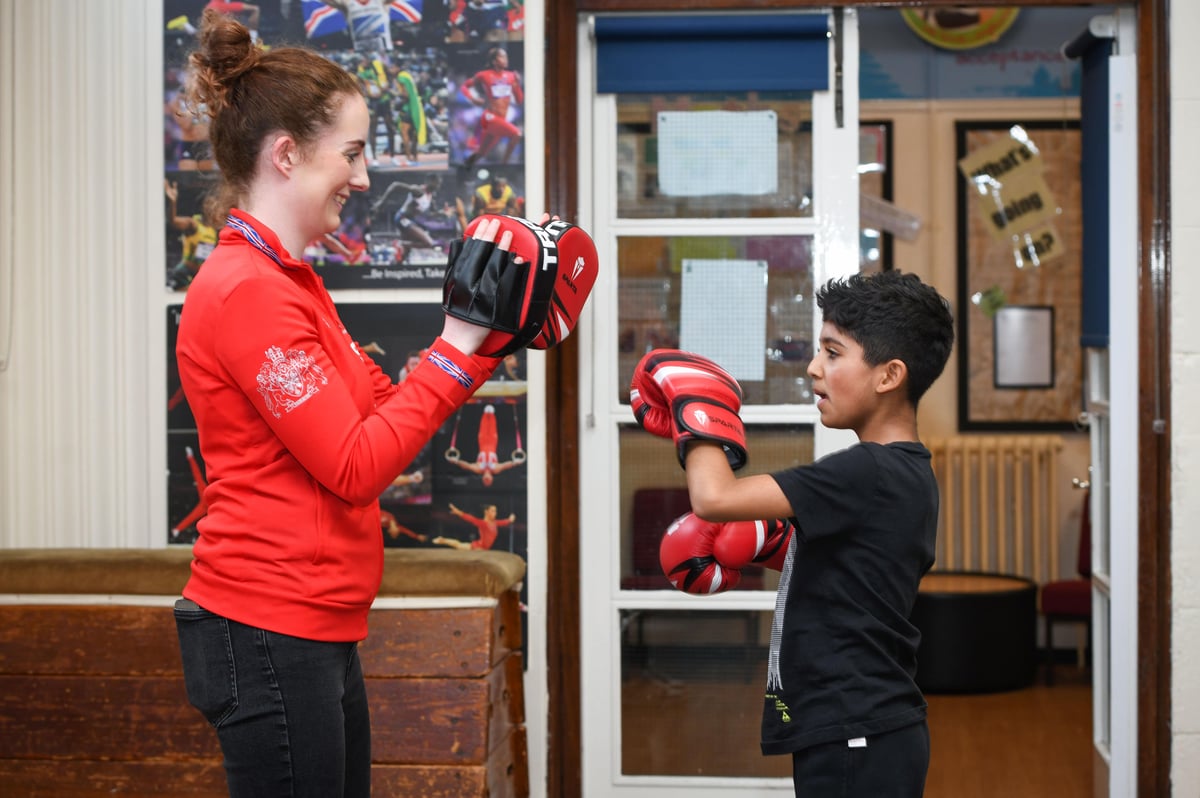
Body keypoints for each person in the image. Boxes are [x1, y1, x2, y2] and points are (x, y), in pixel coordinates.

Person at [170, 11, 524, 797]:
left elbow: (387, 413)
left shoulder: (292, 283)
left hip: (304, 622)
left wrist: (483, 342)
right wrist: (457, 343)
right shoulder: (246, 293)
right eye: (354, 153)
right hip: (266, 621)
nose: (365, 178)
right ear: (288, 154)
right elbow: (357, 464)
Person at [631, 270, 955, 797]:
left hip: (856, 729)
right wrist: (777, 545)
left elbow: (713, 499)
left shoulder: (866, 470)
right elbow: (862, 574)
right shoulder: (906, 471)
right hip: (865, 725)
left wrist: (699, 410)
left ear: (889, 375)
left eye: (832, 352)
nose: (813, 367)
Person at [460, 46, 523, 168]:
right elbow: (464, 86)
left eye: (506, 56)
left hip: (500, 121)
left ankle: (465, 166)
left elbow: (520, 100)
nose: (506, 59)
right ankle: (504, 166)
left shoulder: (511, 76)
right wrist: (473, 99)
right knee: (517, 134)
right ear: (494, 61)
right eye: (502, 56)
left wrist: (518, 84)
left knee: (481, 153)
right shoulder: (484, 75)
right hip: (490, 118)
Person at [444, 403, 524, 486]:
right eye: (489, 481)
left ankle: (486, 413)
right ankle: (491, 413)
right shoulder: (495, 469)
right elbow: (506, 465)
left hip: (482, 441)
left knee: (484, 427)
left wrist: (456, 461)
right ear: (492, 478)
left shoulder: (479, 469)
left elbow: (467, 466)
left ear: (482, 478)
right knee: (492, 427)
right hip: (493, 442)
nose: (487, 479)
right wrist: (515, 462)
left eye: (485, 481)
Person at [432, 502, 515, 550]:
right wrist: (459, 513)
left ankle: (442, 540)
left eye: (495, 511)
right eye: (493, 511)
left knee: (459, 545)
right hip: (478, 548)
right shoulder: (483, 524)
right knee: (458, 545)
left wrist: (510, 519)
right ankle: (442, 540)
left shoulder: (495, 523)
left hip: (482, 549)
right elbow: (471, 519)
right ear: (486, 512)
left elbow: (505, 522)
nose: (495, 513)